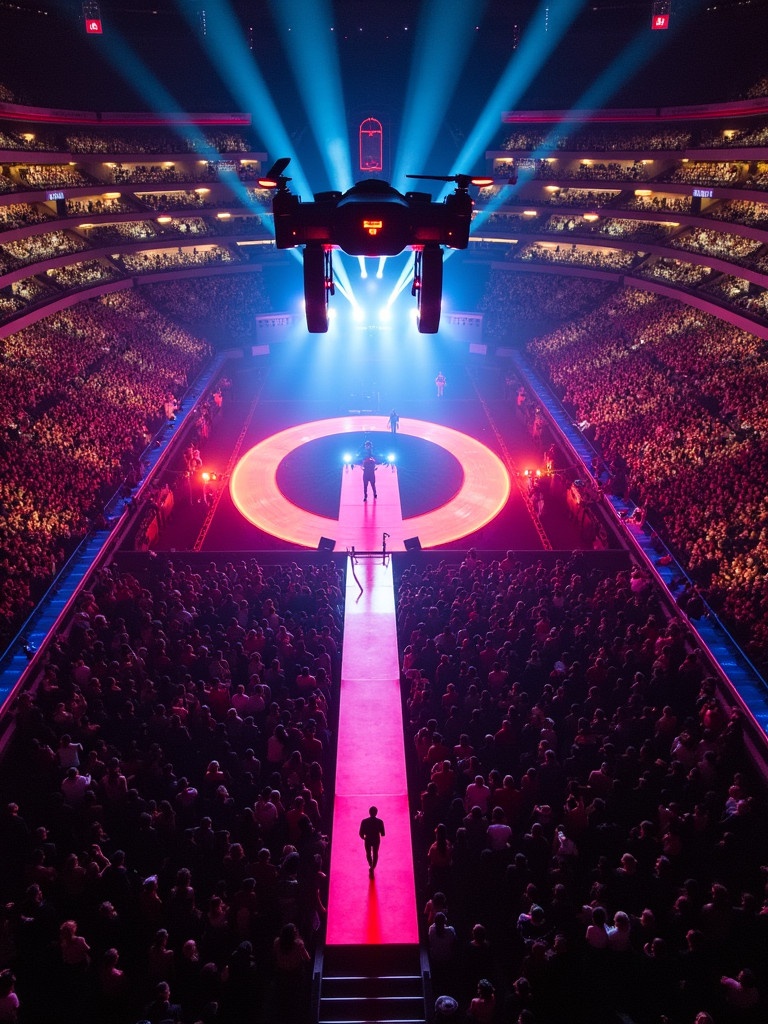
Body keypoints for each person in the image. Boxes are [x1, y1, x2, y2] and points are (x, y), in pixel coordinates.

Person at [359, 805, 385, 876]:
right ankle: (373, 867)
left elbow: (361, 833)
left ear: (369, 812)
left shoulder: (364, 821)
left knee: (368, 853)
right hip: (376, 839)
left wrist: (364, 838)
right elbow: (383, 833)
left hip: (368, 839)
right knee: (375, 853)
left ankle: (370, 865)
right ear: (376, 813)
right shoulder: (380, 822)